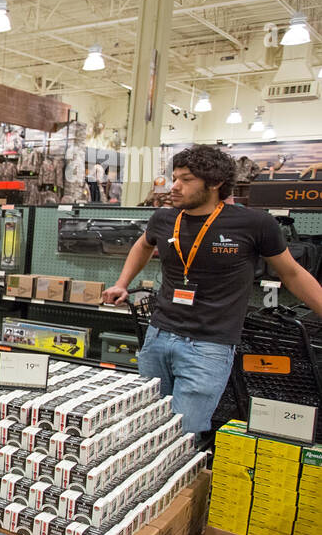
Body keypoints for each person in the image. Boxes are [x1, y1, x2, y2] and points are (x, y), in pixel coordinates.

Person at [102, 145, 322, 434]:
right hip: (158, 337)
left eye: (186, 179)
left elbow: (293, 273)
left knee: (184, 432)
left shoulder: (254, 224)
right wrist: (121, 283)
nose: (175, 186)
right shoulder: (164, 219)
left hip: (208, 347)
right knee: (148, 425)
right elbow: (144, 245)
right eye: (175, 177)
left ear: (216, 183)